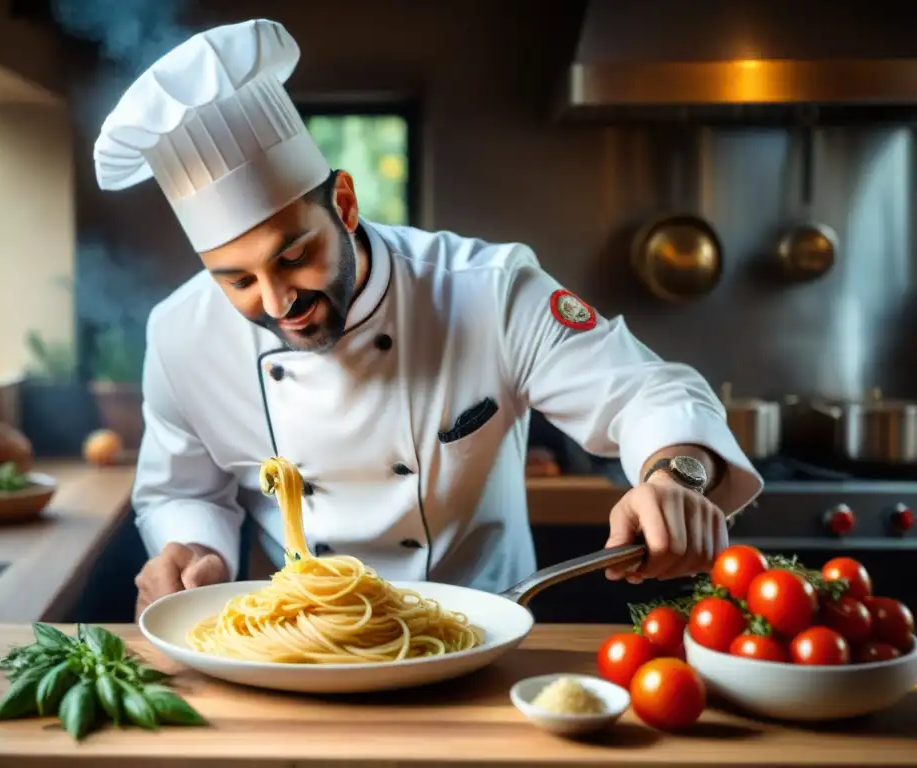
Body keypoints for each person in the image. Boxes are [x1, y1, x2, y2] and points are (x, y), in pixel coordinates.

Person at [93, 19, 764, 619]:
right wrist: (192, 551)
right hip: (298, 645)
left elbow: (651, 391)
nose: (276, 302)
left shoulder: (488, 291)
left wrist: (676, 476)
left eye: (295, 257)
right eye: (236, 279)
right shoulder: (180, 334)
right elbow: (183, 492)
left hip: (484, 628)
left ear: (345, 205)